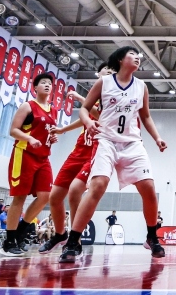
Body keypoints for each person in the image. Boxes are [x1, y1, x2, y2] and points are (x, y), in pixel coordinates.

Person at [59, 46, 168, 262]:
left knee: (149, 187)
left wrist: (157, 138)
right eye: (132, 54)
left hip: (132, 143)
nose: (137, 58)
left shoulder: (141, 86)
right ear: (120, 59)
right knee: (98, 186)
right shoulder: (105, 82)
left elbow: (146, 116)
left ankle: (152, 236)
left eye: (138, 56)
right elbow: (84, 108)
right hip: (106, 140)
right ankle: (73, 241)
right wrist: (89, 122)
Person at [39, 63, 111, 254]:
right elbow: (85, 117)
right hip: (78, 151)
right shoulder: (96, 96)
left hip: (95, 153)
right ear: (99, 73)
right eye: (106, 69)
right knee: (54, 197)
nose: (109, 72)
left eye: (113, 70)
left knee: (74, 191)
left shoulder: (112, 97)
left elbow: (98, 114)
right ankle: (60, 234)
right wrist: (63, 129)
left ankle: (75, 240)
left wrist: (81, 99)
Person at [0, 73, 59, 257]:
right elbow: (13, 130)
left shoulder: (53, 110)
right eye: (43, 83)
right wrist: (30, 138)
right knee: (19, 197)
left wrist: (52, 138)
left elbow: (47, 132)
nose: (47, 85)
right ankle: (9, 242)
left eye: (50, 83)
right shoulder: (28, 106)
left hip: (43, 157)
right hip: (24, 154)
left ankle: (20, 231)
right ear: (35, 87)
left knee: (45, 196)